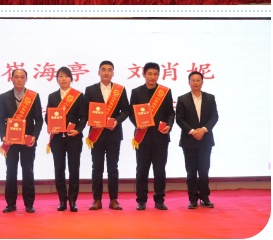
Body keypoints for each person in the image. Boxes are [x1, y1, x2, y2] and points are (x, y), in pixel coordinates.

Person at [84, 61, 129, 211]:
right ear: (99, 72)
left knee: (112, 168)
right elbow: (85, 111)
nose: (106, 72)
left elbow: (126, 110)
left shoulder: (120, 90)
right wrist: (92, 121)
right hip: (96, 135)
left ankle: (113, 199)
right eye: (103, 70)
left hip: (113, 134)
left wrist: (116, 120)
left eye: (109, 70)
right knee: (97, 167)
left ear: (113, 73)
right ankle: (96, 199)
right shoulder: (90, 90)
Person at [0, 68, 43, 214]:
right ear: (11, 79)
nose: (19, 80)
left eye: (22, 77)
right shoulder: (4, 97)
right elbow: (0, 121)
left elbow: (39, 120)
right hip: (10, 142)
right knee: (11, 172)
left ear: (26, 79)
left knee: (28, 171)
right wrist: (3, 136)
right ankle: (11, 203)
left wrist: (35, 136)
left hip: (28, 141)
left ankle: (29, 204)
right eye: (16, 77)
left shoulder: (33, 96)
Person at [129, 62, 175, 210]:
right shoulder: (136, 92)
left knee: (160, 171)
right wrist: (137, 123)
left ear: (158, 75)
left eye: (155, 74)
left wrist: (169, 125)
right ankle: (141, 200)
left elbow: (171, 113)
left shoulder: (165, 92)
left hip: (160, 138)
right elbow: (131, 113)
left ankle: (159, 200)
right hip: (142, 137)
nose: (152, 77)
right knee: (142, 170)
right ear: (144, 74)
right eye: (149, 74)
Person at [46, 67, 87, 212]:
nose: (63, 79)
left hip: (73, 137)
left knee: (74, 169)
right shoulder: (52, 96)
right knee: (59, 169)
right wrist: (51, 127)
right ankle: (62, 200)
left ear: (71, 78)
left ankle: (73, 200)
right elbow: (48, 117)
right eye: (61, 76)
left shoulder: (78, 96)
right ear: (57, 79)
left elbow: (84, 116)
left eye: (66, 76)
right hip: (57, 139)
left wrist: (78, 130)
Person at [176, 72, 219, 209]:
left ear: (202, 82)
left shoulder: (210, 98)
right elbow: (179, 119)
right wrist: (193, 131)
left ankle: (205, 198)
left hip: (205, 139)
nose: (195, 83)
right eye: (192, 80)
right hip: (189, 140)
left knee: (204, 171)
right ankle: (193, 199)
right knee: (191, 172)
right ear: (188, 82)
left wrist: (204, 129)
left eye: (198, 80)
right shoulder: (182, 99)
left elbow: (214, 117)